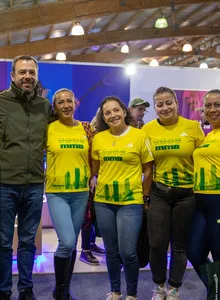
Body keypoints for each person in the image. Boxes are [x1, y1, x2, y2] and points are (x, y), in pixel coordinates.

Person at [0, 56, 51, 300]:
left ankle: (25, 289)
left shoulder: (44, 106)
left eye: (31, 73)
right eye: (22, 72)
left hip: (34, 184)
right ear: (12, 76)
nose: (27, 77)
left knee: (27, 242)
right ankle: (3, 291)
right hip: (3, 184)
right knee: (2, 243)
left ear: (36, 76)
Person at [142, 87, 205, 300]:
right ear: (155, 107)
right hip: (160, 193)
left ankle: (174, 289)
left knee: (180, 245)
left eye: (169, 102)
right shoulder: (147, 130)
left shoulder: (193, 127)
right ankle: (159, 287)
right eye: (159, 104)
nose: (165, 107)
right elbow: (147, 166)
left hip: (187, 194)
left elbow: (202, 160)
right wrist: (145, 194)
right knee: (157, 243)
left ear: (176, 103)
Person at [92, 96, 153, 300]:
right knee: (111, 251)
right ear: (103, 117)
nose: (112, 115)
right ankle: (116, 291)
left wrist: (145, 197)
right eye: (107, 112)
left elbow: (148, 169)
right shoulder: (99, 138)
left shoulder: (138, 135)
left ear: (124, 111)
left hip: (130, 202)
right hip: (103, 202)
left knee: (128, 252)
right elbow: (96, 168)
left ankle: (132, 294)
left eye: (116, 110)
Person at [46, 88, 91, 300]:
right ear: (54, 107)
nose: (65, 105)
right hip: (57, 193)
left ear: (75, 103)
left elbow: (93, 155)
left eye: (69, 101)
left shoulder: (85, 128)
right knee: (66, 241)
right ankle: (61, 289)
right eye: (60, 102)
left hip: (80, 192)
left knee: (72, 242)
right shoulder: (48, 128)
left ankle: (64, 287)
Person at [187, 89, 220, 290]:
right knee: (194, 253)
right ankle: (215, 290)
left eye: (218, 105)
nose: (212, 109)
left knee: (218, 255)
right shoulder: (209, 135)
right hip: (200, 202)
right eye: (208, 105)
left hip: (219, 202)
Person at [80, 109, 105, 266]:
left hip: (105, 179)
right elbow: (90, 156)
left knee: (94, 216)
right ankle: (85, 250)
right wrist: (93, 176)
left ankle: (91, 244)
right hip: (91, 179)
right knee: (87, 216)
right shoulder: (89, 130)